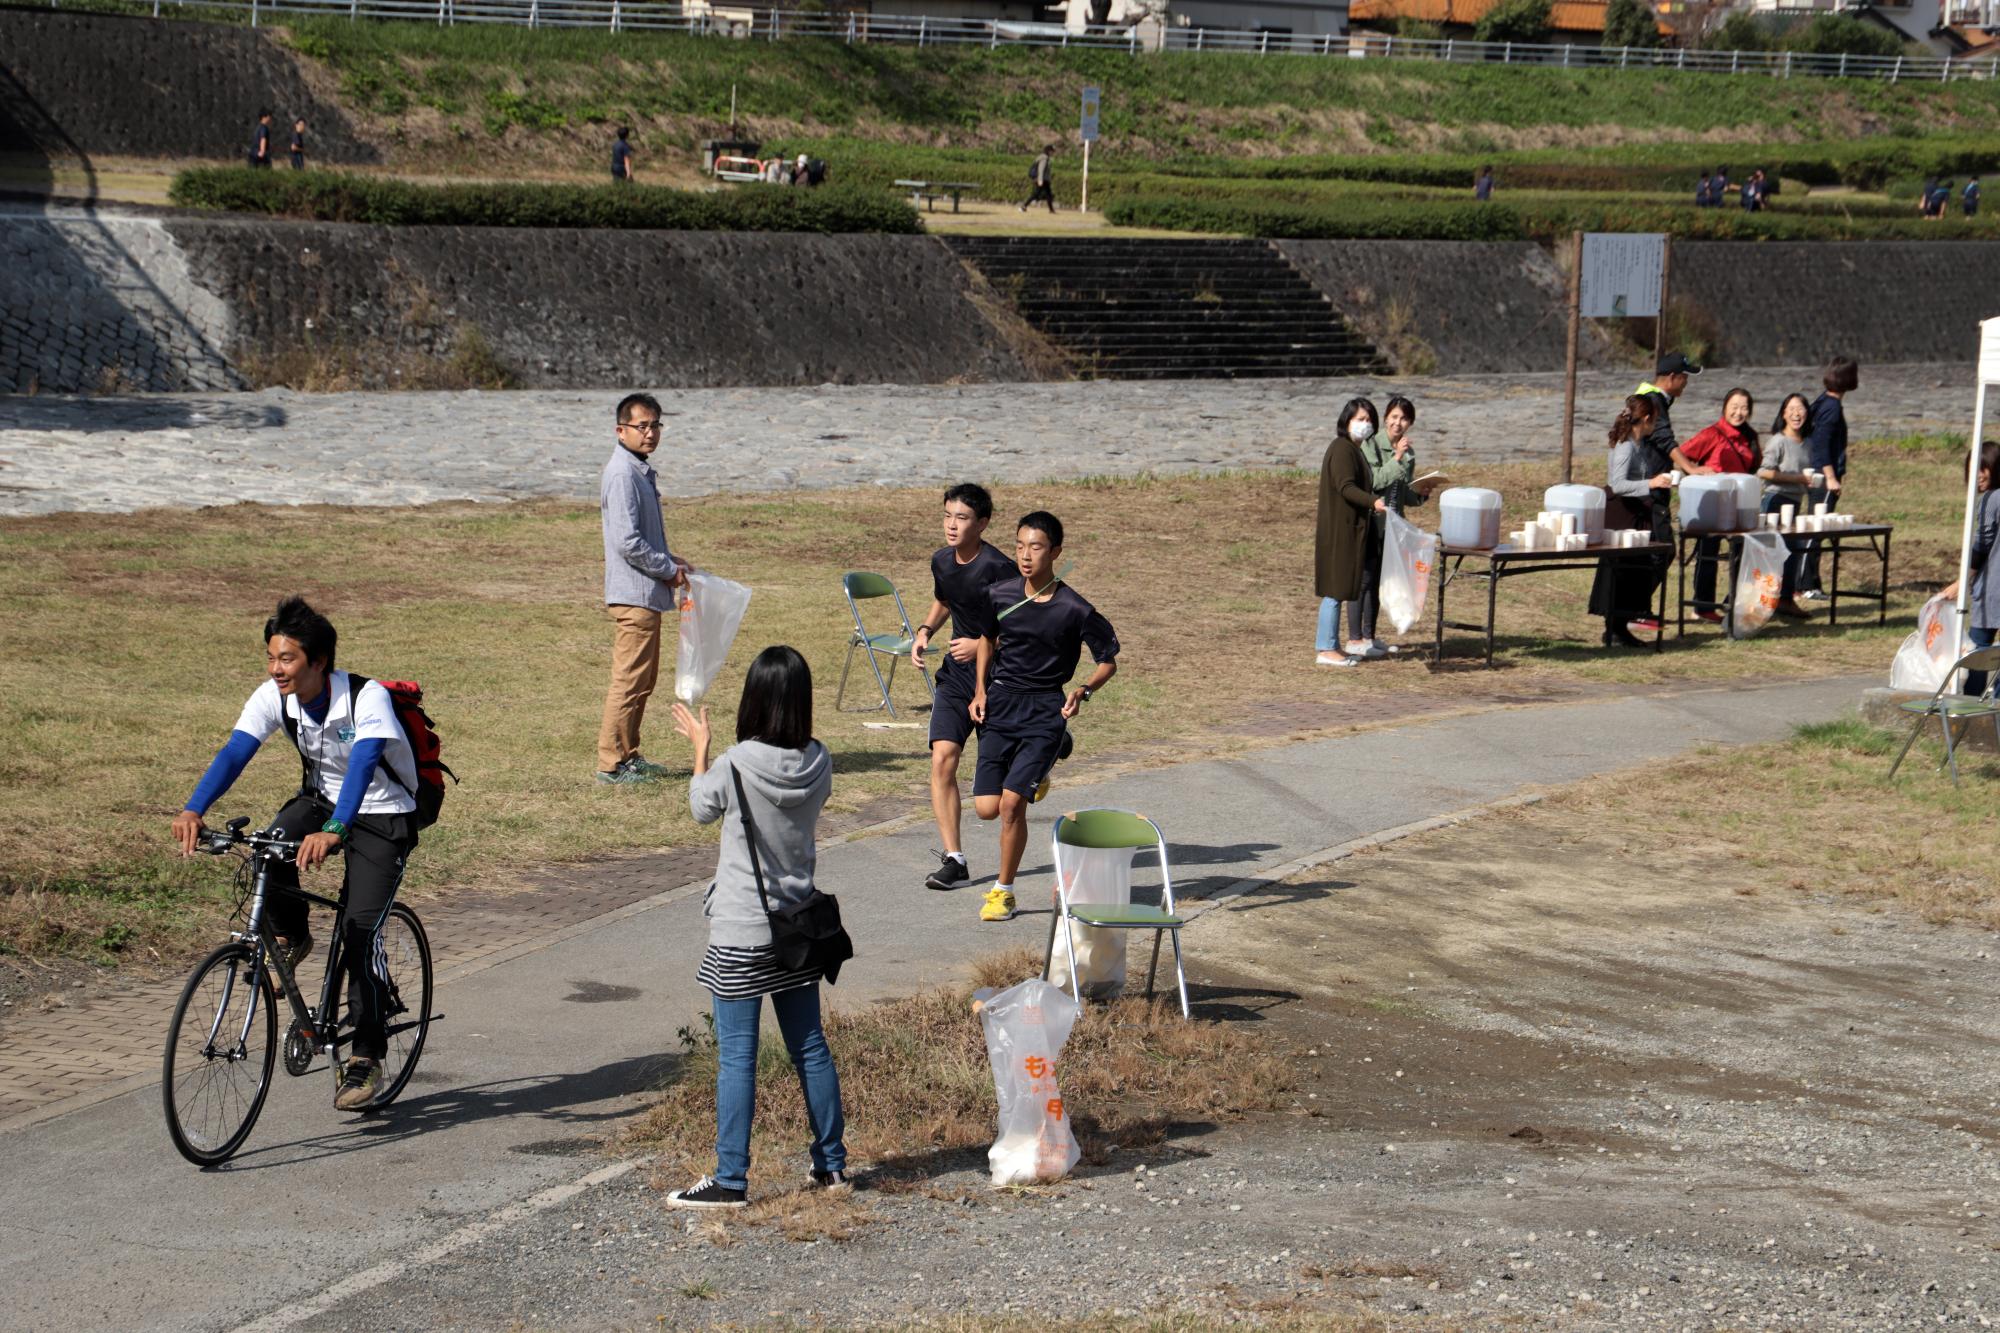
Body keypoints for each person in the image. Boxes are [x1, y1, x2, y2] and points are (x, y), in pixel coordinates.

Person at [171, 597, 421, 1111]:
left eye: (287, 659)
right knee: (268, 847)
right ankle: (292, 935)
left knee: (360, 932)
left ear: (319, 661)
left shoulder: (365, 697)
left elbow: (363, 764)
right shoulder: (273, 696)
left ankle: (367, 1056)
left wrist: (335, 828)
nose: (276, 669)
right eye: (271, 657)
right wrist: (195, 808)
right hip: (322, 802)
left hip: (381, 813)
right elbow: (236, 750)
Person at [665, 646, 847, 1208]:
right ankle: (832, 1167)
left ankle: (731, 1180)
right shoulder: (820, 761)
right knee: (810, 1047)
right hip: (797, 931)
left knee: (737, 1055)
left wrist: (700, 751)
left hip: (742, 932)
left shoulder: (737, 761)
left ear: (754, 700)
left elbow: (700, 807)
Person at [968, 511, 1119, 924]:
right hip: (1000, 706)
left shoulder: (1075, 608)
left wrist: (1084, 690)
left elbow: (1108, 661)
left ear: (1055, 552)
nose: (1025, 555)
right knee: (986, 807)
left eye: (1035, 547)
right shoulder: (999, 594)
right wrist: (980, 690)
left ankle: (1004, 892)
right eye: (1019, 546)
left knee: (1011, 805)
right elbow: (986, 640)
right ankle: (1043, 769)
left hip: (1043, 712)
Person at [910, 483, 1017, 894]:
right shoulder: (941, 560)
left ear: (983, 523)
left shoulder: (1000, 569)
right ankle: (954, 858)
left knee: (990, 806)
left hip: (1000, 679)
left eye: (963, 518)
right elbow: (946, 598)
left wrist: (982, 644)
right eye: (948, 516)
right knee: (943, 758)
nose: (952, 525)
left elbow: (1027, 627)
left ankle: (1044, 741)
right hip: (956, 677)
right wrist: (924, 630)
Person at [598, 392, 692, 784]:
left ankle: (629, 755)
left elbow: (646, 538)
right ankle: (611, 764)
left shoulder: (638, 470)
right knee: (629, 679)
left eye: (655, 425)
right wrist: (668, 570)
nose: (650, 433)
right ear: (622, 431)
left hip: (646, 595)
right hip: (633, 596)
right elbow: (628, 542)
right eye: (642, 426)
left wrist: (677, 561)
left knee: (643, 680)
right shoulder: (622, 474)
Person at [1346, 394, 1438, 657]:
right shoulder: (1371, 445)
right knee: (1363, 580)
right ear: (1386, 417)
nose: (1399, 423)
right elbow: (1374, 481)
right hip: (1371, 520)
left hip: (1393, 524)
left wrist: (1422, 493)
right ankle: (1355, 639)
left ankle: (1369, 637)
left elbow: (1404, 493)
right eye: (1395, 417)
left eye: (1405, 418)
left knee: (1378, 580)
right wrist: (1396, 458)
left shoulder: (1409, 452)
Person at [1590, 395, 1676, 648]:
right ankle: (1616, 626)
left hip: (1636, 512)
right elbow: (1617, 484)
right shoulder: (1627, 446)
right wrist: (1651, 483)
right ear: (1647, 419)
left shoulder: (1639, 444)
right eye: (1655, 419)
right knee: (1628, 570)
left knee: (1640, 568)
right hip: (1623, 514)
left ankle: (1621, 623)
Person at [1675, 386, 1760, 623]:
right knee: (1708, 555)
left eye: (1744, 408)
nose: (1738, 412)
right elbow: (1682, 454)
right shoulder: (1711, 434)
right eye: (1734, 407)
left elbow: (1753, 468)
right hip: (1713, 504)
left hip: (1740, 505)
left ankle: (1734, 601)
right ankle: (1702, 607)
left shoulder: (1751, 437)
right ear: (1724, 408)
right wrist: (1696, 473)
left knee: (1743, 554)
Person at [1628, 353, 1699, 632]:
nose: (1686, 385)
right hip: (1648, 489)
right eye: (1685, 378)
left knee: (1654, 551)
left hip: (1649, 486)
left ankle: (1637, 609)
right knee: (1662, 549)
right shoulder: (1654, 401)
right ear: (1672, 378)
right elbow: (1663, 438)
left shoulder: (1649, 397)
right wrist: (1690, 468)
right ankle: (1636, 610)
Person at [1315, 398, 1384, 668]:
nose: (1364, 425)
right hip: (1339, 531)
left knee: (1341, 588)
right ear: (1346, 421)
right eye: (1359, 419)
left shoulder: (1354, 450)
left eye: (1368, 420)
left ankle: (1332, 645)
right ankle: (1324, 647)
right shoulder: (1342, 449)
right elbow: (1346, 487)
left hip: (1350, 528)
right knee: (1334, 589)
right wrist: (1372, 501)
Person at [1940, 442, 2000, 697]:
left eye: (1983, 468)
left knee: (1978, 653)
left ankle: (1973, 711)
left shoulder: (1990, 499)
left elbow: (1982, 544)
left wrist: (1961, 581)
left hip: (1991, 591)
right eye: (1972, 468)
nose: (1977, 475)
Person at [1798, 357, 1857, 601]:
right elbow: (1821, 444)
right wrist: (1831, 477)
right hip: (1823, 476)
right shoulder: (1831, 408)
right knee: (1816, 529)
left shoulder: (1823, 401)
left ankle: (1812, 582)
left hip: (1818, 473)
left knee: (1816, 527)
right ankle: (1805, 584)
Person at [1758, 392, 1816, 619]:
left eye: (1800, 409)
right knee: (1771, 553)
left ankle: (1785, 600)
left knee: (1792, 552)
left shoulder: (1808, 443)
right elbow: (1763, 471)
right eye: (1791, 409)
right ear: (1783, 414)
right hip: (1775, 500)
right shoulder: (1778, 441)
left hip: (1794, 502)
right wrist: (1797, 478)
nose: (1796, 413)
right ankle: (1757, 600)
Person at [1020, 145, 1056, 214]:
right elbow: (1041, 170)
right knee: (1035, 194)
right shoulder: (1044, 159)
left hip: (1045, 180)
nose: (1052, 153)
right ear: (1049, 151)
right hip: (1042, 179)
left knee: (1048, 195)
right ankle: (1024, 206)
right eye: (1052, 151)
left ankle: (1051, 210)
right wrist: (1040, 180)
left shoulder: (1045, 158)